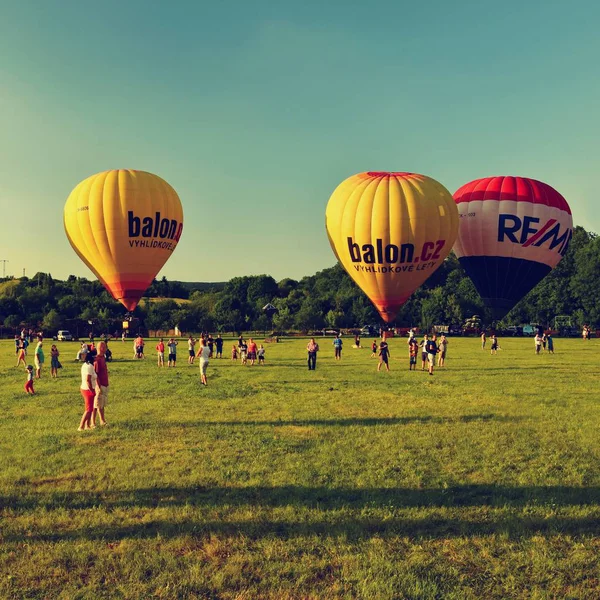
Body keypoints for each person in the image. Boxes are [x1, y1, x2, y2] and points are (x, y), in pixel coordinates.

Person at [92, 341, 109, 427]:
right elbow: (95, 375)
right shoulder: (97, 360)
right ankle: (101, 421)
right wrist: (98, 387)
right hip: (100, 385)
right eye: (104, 347)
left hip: (105, 384)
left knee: (101, 404)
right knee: (98, 404)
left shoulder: (103, 358)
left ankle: (99, 420)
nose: (106, 348)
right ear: (101, 348)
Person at [78, 352, 97, 431]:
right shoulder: (90, 367)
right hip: (88, 389)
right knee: (88, 410)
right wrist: (92, 390)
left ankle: (87, 425)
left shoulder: (85, 365)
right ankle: (81, 426)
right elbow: (88, 380)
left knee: (90, 409)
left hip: (84, 388)